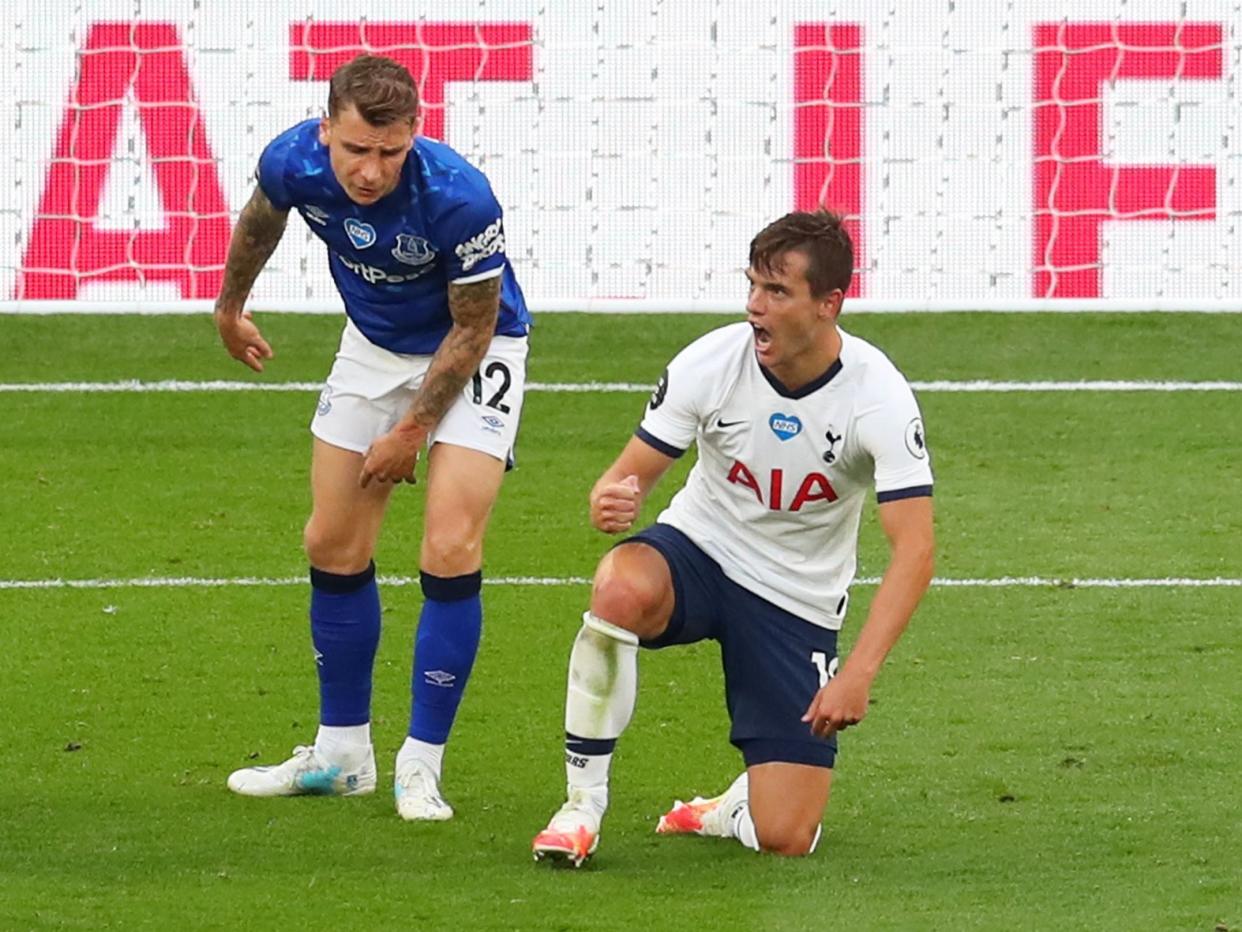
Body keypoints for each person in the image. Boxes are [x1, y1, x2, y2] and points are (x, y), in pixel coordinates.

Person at [531, 210, 935, 865]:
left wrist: (857, 674)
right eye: (752, 287)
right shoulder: (710, 363)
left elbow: (916, 550)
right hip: (702, 550)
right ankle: (581, 807)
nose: (755, 307)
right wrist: (613, 495)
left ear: (829, 304)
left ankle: (737, 806)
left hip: (796, 597)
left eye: (777, 293)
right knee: (619, 586)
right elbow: (629, 476)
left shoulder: (878, 398)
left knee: (786, 839)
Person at [215, 54, 531, 821]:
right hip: (373, 346)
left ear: (415, 136)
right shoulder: (294, 159)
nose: (369, 171)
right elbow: (263, 217)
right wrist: (230, 307)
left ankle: (420, 766)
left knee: (450, 545)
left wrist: (413, 430)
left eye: (390, 153)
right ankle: (342, 755)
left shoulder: (459, 198)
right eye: (356, 150)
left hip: (478, 350)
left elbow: (475, 326)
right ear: (327, 130)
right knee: (331, 542)